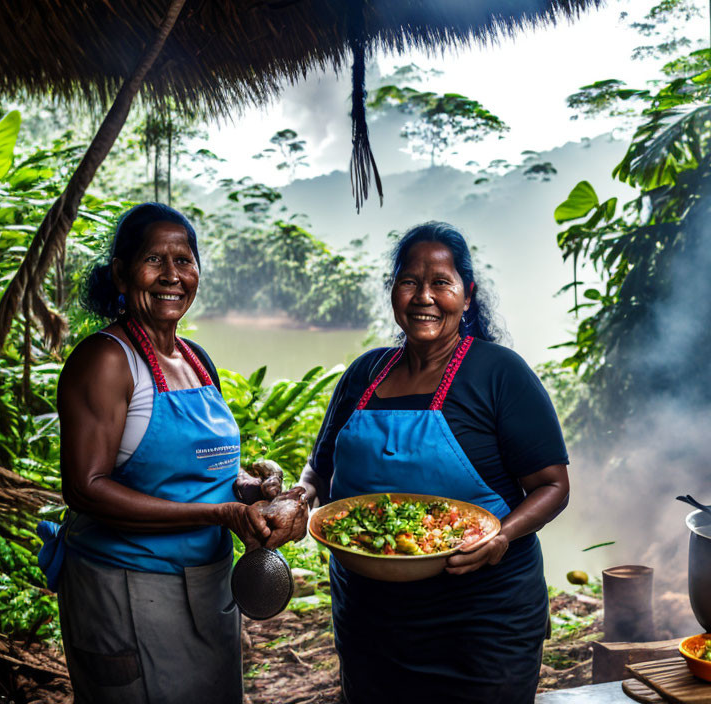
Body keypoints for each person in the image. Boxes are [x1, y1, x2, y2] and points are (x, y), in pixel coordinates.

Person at [298, 222, 570, 704]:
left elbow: (552, 485)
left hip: (480, 623)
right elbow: (318, 471)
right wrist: (297, 500)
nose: (424, 296)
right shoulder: (364, 372)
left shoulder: (499, 373)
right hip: (369, 620)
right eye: (409, 282)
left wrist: (501, 535)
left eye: (441, 282)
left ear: (468, 296)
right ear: (394, 292)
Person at [47, 203, 307, 704]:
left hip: (209, 587)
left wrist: (252, 491)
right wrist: (222, 512)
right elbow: (85, 488)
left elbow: (204, 472)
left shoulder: (195, 359)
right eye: (154, 260)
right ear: (121, 272)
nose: (172, 275)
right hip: (129, 589)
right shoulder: (106, 360)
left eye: (184, 260)